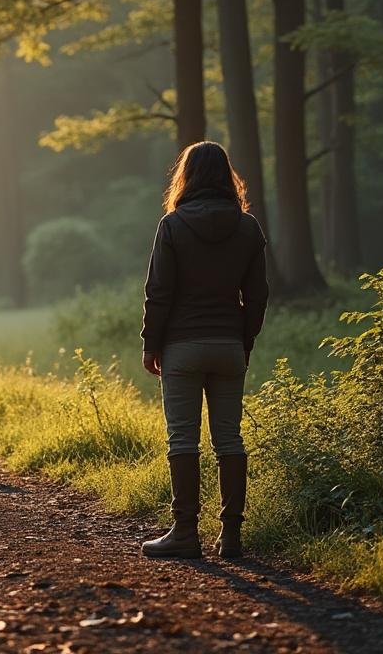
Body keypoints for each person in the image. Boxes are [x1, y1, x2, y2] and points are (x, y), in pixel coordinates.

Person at [139, 140, 269, 560]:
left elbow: (159, 292)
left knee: (183, 438)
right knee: (229, 438)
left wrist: (151, 344)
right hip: (229, 345)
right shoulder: (248, 228)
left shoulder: (173, 226)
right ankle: (231, 537)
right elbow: (258, 295)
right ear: (228, 177)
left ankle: (185, 533)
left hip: (182, 346)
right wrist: (243, 341)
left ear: (187, 176)